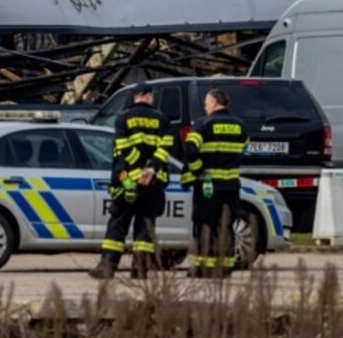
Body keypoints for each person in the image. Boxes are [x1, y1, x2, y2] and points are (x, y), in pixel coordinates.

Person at [88, 83, 172, 280]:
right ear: (146, 96)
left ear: (135, 96)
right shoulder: (162, 119)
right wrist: (150, 168)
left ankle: (107, 267)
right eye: (152, 95)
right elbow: (165, 148)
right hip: (152, 182)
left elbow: (123, 147)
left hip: (128, 181)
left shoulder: (123, 118)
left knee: (118, 225)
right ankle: (140, 270)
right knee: (146, 227)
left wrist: (138, 169)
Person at [183, 88, 248, 278]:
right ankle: (225, 267)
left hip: (208, 185)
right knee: (226, 226)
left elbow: (190, 148)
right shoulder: (241, 126)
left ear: (213, 102)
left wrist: (198, 170)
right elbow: (244, 148)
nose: (205, 107)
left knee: (205, 225)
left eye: (206, 103)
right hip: (231, 186)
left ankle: (203, 267)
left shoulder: (203, 124)